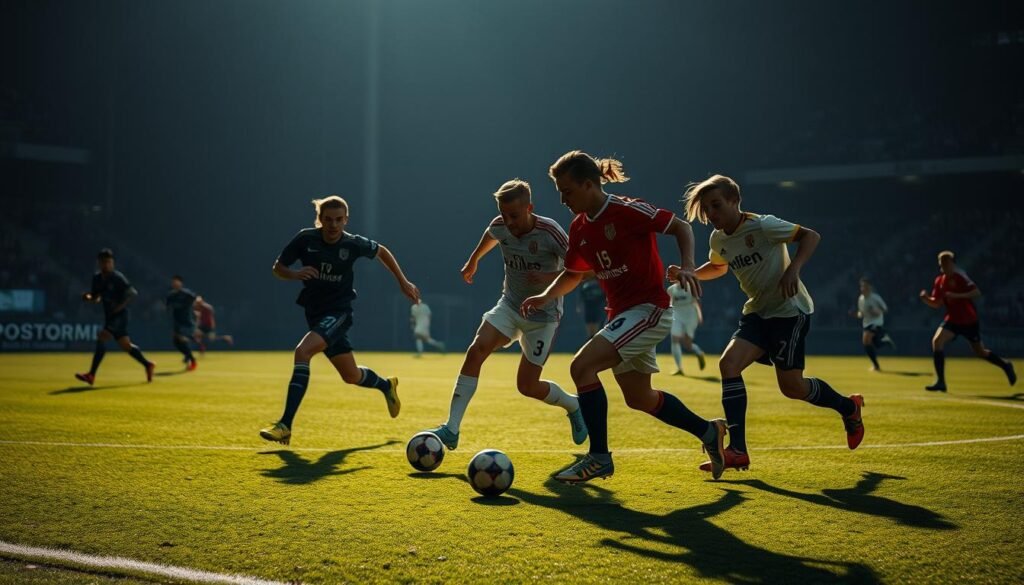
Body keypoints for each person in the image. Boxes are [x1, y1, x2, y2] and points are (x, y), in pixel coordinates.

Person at [521, 151, 728, 483]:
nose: (562, 199)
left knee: (581, 366)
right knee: (639, 398)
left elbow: (681, 227)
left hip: (649, 310)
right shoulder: (579, 228)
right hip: (621, 315)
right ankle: (708, 432)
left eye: (567, 191)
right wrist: (545, 296)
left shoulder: (627, 209)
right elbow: (573, 274)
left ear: (589, 184)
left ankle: (599, 458)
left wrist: (688, 265)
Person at [677, 174, 864, 475]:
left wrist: (794, 270)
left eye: (716, 205)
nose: (710, 214)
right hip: (758, 312)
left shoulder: (763, 225)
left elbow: (811, 236)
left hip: (789, 312)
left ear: (735, 201)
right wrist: (690, 274)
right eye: (706, 209)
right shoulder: (718, 239)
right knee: (729, 364)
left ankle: (849, 408)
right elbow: (718, 266)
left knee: (792, 387)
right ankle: (737, 449)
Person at [424, 179, 587, 450]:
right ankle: (451, 428)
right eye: (503, 214)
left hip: (544, 317)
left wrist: (548, 276)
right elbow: (491, 234)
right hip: (510, 306)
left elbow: (581, 271)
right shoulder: (500, 225)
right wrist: (473, 260)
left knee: (527, 386)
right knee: (476, 350)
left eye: (513, 215)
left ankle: (573, 405)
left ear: (529, 208)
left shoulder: (551, 232)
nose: (508, 221)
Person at [259, 196, 419, 445]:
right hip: (315, 314)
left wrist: (403, 281)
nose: (333, 225)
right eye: (328, 220)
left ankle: (285, 424)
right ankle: (386, 385)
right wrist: (294, 274)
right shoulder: (305, 239)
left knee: (302, 352)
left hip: (339, 313)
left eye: (339, 220)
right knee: (351, 376)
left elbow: (382, 251)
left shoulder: (352, 244)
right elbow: (277, 267)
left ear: (346, 220)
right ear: (320, 220)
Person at [918, 250, 1015, 392]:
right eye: (942, 264)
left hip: (968, 320)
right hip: (952, 319)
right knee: (937, 341)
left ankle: (1006, 365)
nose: (944, 266)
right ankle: (941, 382)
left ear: (952, 263)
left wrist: (956, 295)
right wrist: (926, 299)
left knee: (980, 352)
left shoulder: (960, 276)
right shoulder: (939, 281)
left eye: (947, 263)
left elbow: (976, 292)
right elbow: (938, 303)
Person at [75, 248, 155, 385]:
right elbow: (96, 298)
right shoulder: (97, 278)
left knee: (102, 336)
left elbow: (133, 293)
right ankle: (148, 364)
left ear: (112, 263)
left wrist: (120, 306)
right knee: (126, 345)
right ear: (99, 263)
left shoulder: (117, 278)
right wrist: (88, 297)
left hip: (120, 315)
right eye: (103, 262)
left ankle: (91, 375)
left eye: (109, 262)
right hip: (110, 316)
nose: (106, 264)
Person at [666, 280, 707, 375]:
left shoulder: (691, 287)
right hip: (677, 314)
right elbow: (670, 303)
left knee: (687, 344)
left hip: (690, 315)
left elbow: (696, 302)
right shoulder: (671, 289)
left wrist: (700, 316)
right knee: (674, 339)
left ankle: (699, 353)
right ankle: (679, 368)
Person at [855, 278, 894, 371]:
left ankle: (876, 365)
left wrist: (877, 311)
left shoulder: (875, 297)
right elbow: (861, 312)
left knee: (866, 338)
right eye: (861, 286)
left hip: (876, 322)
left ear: (869, 287)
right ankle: (876, 365)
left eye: (864, 286)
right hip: (867, 323)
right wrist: (858, 314)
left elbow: (885, 309)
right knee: (870, 343)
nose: (862, 288)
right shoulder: (861, 299)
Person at [166, 275, 198, 371]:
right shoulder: (171, 295)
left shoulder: (186, 294)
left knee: (182, 340)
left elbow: (196, 299)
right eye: (173, 282)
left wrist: (195, 309)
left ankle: (191, 359)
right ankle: (188, 356)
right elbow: (168, 307)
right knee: (176, 343)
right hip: (177, 322)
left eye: (176, 282)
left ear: (181, 283)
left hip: (187, 321)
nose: (175, 284)